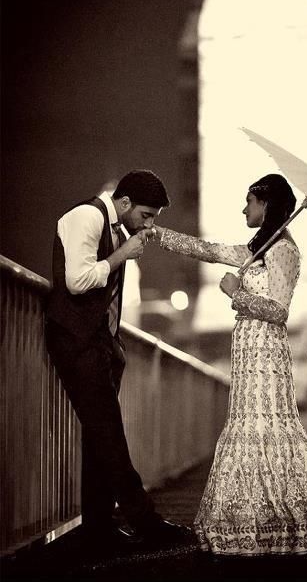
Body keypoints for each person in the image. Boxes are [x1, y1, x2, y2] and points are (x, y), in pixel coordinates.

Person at [148, 173, 307, 556]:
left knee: (268, 427)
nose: (244, 208)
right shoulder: (259, 247)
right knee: (247, 426)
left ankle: (292, 519)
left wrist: (237, 295)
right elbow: (209, 250)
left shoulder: (284, 250)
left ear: (267, 203)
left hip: (267, 353)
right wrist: (157, 234)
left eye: (249, 201)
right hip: (248, 351)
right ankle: (252, 520)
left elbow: (279, 311)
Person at [45, 169, 191, 549]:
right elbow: (77, 280)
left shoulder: (117, 229)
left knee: (100, 440)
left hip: (101, 346)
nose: (150, 223)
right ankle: (146, 523)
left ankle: (99, 528)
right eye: (146, 214)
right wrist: (122, 255)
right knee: (109, 437)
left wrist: (114, 347)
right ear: (124, 203)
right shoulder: (87, 217)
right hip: (75, 342)